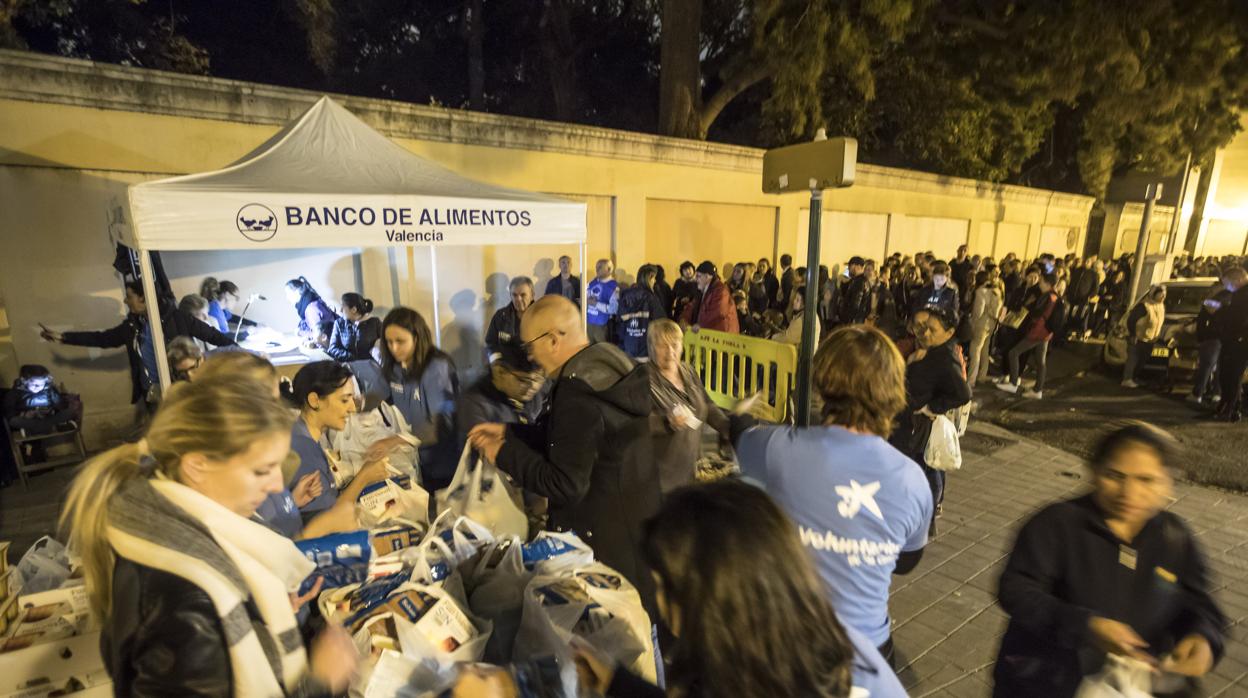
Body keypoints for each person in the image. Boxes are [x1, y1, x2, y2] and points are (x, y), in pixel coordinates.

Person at [60, 373, 359, 696]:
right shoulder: (183, 603)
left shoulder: (172, 531)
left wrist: (255, 611)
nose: (276, 485)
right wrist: (320, 682)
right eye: (261, 469)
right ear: (197, 466)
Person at [574, 479, 906, 698]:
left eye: (664, 587)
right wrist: (616, 683)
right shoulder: (816, 647)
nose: (658, 602)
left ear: (714, 599)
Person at [736, 325, 930, 665]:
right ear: (893, 389)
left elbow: (739, 434)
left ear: (825, 380)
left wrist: (740, 415)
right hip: (870, 653)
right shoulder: (913, 480)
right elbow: (906, 562)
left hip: (791, 649)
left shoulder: (777, 449)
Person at [994, 422, 1227, 697]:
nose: (1128, 493)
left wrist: (1203, 638)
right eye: (1115, 476)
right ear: (1094, 472)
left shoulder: (1174, 537)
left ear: (1168, 484)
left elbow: (1199, 602)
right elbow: (1016, 589)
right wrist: (1085, 626)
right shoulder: (1057, 524)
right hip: (1047, 683)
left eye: (1146, 480)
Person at [467, 295, 660, 607]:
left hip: (604, 554)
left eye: (529, 347)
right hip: (634, 536)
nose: (529, 358)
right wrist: (510, 432)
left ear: (553, 340)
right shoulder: (608, 364)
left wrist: (502, 454)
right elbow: (573, 442)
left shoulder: (577, 392)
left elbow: (565, 483)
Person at [40, 281, 235, 408]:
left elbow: (215, 337)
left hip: (180, 392)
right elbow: (103, 339)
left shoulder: (177, 318)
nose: (125, 300)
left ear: (143, 298)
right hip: (152, 395)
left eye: (129, 296)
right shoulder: (133, 325)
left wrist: (242, 355)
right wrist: (63, 337)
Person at [890, 306, 970, 536]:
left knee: (924, 467)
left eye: (932, 329)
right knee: (918, 466)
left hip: (919, 424)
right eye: (923, 328)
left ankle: (926, 517)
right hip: (907, 420)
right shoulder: (931, 352)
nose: (926, 333)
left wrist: (932, 407)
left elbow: (963, 394)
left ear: (949, 332)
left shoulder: (945, 357)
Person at [285, 361, 392, 520]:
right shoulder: (306, 454)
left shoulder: (301, 434)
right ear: (315, 401)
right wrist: (365, 476)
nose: (352, 408)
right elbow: (326, 521)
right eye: (344, 400)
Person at [644, 320, 731, 493]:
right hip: (660, 479)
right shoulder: (643, 380)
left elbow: (706, 404)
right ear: (651, 347)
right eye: (663, 345)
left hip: (691, 471)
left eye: (675, 345)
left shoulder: (688, 371)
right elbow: (636, 422)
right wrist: (666, 422)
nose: (670, 352)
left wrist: (728, 427)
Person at [379, 307, 460, 489]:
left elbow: (437, 426)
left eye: (400, 341)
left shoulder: (436, 367)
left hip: (439, 460)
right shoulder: (395, 367)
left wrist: (393, 441)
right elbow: (386, 401)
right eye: (389, 342)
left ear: (417, 337)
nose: (394, 348)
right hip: (412, 458)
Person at [456, 340, 548, 449]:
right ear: (499, 372)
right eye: (524, 380)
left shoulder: (533, 394)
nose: (534, 387)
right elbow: (485, 451)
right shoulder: (474, 404)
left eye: (539, 379)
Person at [997, 272, 1061, 399]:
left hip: (1038, 332)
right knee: (1040, 361)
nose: (1039, 284)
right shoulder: (1056, 297)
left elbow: (1036, 313)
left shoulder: (1048, 297)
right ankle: (1038, 390)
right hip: (1046, 333)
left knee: (1013, 353)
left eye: (1041, 281)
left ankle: (1014, 383)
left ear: (1048, 284)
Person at [3, 364, 76, 437]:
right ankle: (52, 428)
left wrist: (51, 410)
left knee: (70, 411)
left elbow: (61, 405)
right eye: (35, 384)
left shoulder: (49, 390)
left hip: (48, 417)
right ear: (24, 381)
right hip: (29, 420)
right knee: (14, 421)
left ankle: (35, 431)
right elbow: (9, 413)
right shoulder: (14, 393)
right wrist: (25, 415)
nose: (38, 387)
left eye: (42, 385)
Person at [1187, 283, 1230, 406]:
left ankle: (1198, 393)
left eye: (1212, 289)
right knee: (1219, 367)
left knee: (1206, 366)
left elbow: (1204, 317)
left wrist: (1201, 337)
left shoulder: (1212, 302)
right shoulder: (1230, 299)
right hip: (1225, 339)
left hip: (1212, 338)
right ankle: (1217, 393)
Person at [1214, 266, 1248, 421]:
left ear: (1238, 280)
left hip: (1239, 343)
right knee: (1225, 374)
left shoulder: (1244, 296)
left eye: (1228, 282)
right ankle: (1225, 404)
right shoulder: (1234, 295)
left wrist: (1239, 335)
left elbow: (1240, 319)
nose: (1226, 286)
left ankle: (1231, 408)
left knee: (1233, 376)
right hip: (1230, 340)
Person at [616, 265, 667, 359]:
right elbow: (661, 322)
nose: (654, 281)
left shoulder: (625, 296)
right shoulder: (651, 298)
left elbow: (620, 322)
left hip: (628, 348)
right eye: (654, 278)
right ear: (650, 277)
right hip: (646, 348)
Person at [1121, 285, 1166, 389]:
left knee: (1142, 359)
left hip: (1150, 339)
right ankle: (1127, 379)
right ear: (1154, 294)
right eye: (1161, 294)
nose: (1163, 297)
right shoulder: (1144, 306)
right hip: (1138, 337)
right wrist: (1133, 334)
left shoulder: (1161, 306)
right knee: (1133, 359)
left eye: (1164, 295)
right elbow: (1131, 320)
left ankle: (1134, 378)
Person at [679, 261, 738, 334]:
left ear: (707, 276)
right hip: (709, 334)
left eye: (698, 276)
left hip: (721, 336)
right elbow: (692, 306)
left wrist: (700, 325)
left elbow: (719, 311)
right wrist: (684, 318)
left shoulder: (720, 290)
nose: (696, 279)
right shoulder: (702, 291)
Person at [485, 277, 535, 363]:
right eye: (514, 295)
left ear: (532, 295)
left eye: (523, 295)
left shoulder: (543, 317)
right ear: (510, 295)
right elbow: (491, 343)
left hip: (534, 372)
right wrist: (496, 362)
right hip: (506, 369)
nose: (518, 299)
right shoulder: (500, 316)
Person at [968, 270, 1004, 387]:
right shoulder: (997, 291)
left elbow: (978, 311)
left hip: (981, 323)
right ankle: (982, 376)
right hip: (992, 324)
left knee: (975, 351)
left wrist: (972, 323)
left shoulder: (981, 291)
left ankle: (971, 380)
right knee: (985, 350)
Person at [326, 293, 381, 362]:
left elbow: (385, 343)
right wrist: (352, 358)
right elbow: (332, 348)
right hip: (348, 366)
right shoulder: (339, 324)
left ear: (354, 309)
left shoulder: (375, 323)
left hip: (371, 365)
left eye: (343, 306)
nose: (340, 310)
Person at [284, 277, 338, 347]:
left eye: (288, 293)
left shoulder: (311, 309)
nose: (287, 298)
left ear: (297, 292)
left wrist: (299, 332)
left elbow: (319, 335)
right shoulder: (311, 302)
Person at [586, 259, 620, 344]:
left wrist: (595, 304)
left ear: (609, 269)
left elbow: (614, 309)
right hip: (588, 323)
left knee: (602, 352)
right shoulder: (592, 283)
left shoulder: (613, 287)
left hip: (602, 325)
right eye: (596, 267)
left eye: (600, 267)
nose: (597, 269)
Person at [838, 256, 872, 325]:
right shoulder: (857, 280)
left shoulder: (859, 282)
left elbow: (855, 304)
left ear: (857, 266)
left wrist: (848, 320)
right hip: (857, 320)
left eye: (850, 266)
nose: (848, 268)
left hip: (854, 321)